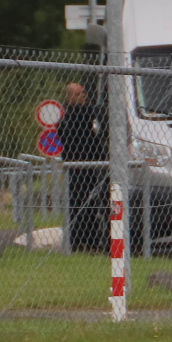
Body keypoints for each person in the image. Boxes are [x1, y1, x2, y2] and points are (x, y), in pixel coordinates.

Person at [58, 80, 108, 253]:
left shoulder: (87, 112)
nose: (84, 97)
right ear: (70, 96)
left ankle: (91, 238)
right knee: (77, 201)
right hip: (76, 163)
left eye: (84, 94)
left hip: (92, 162)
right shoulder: (68, 114)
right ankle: (78, 239)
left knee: (93, 201)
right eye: (79, 94)